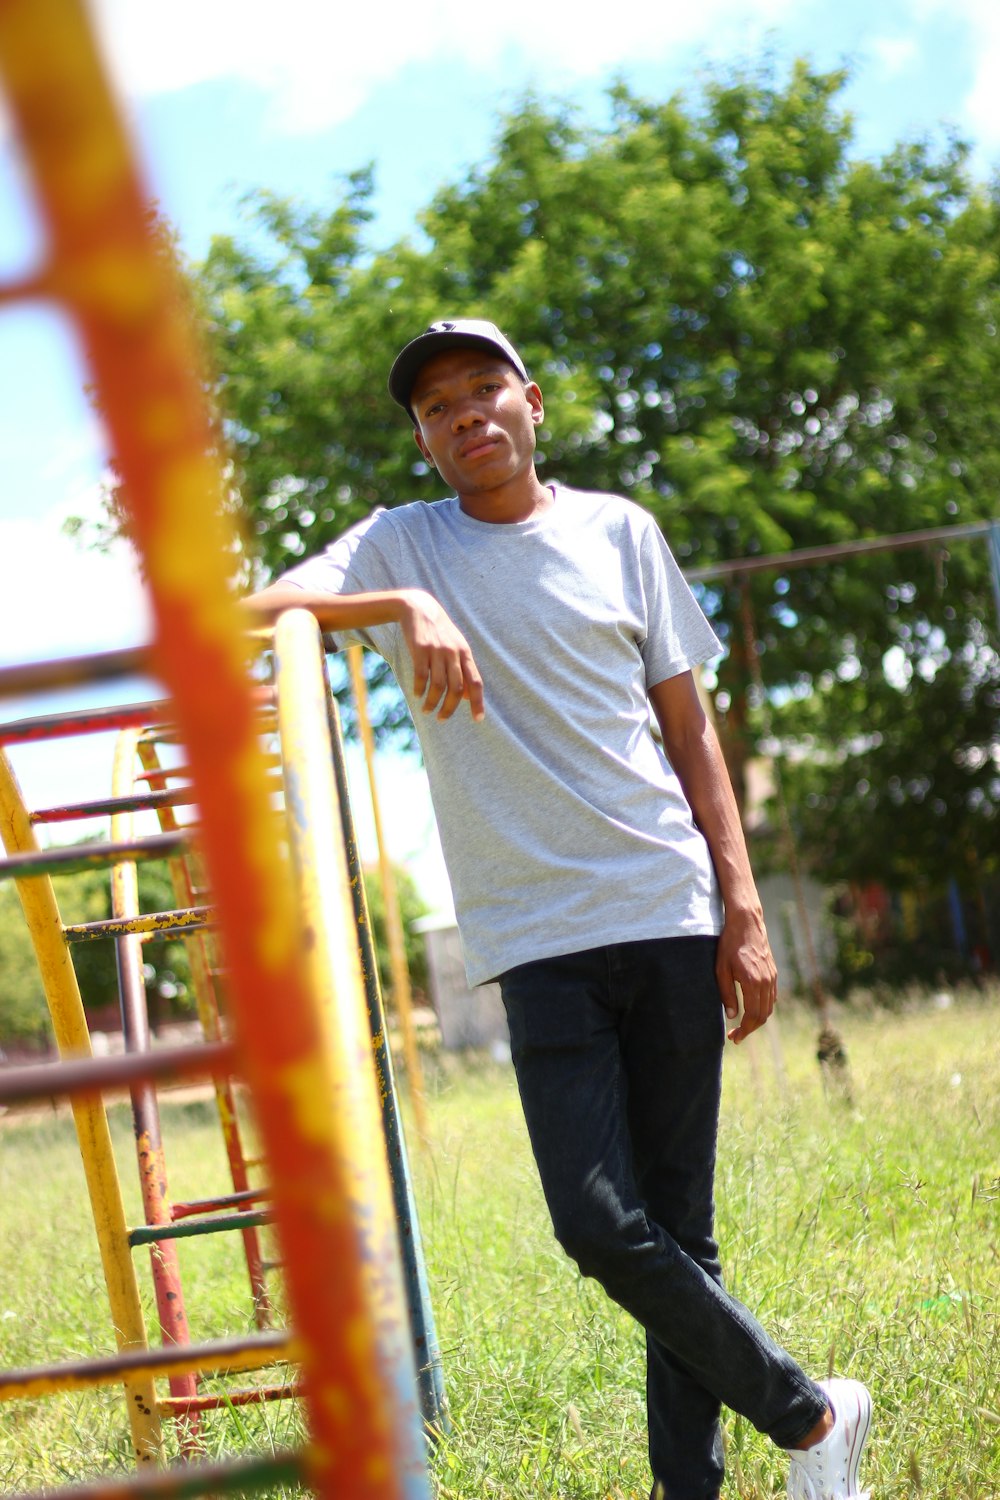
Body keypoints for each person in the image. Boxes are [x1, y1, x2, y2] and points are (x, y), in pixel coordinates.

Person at [246, 318, 871, 1500]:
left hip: (667, 904)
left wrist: (742, 911)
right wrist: (392, 609)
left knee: (679, 1230)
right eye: (438, 408)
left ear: (532, 402)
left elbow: (690, 737)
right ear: (423, 440)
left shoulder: (621, 532)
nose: (466, 416)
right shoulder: (399, 545)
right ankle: (807, 1414)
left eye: (485, 390)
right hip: (535, 939)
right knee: (595, 1224)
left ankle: (696, 1489)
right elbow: (255, 605)